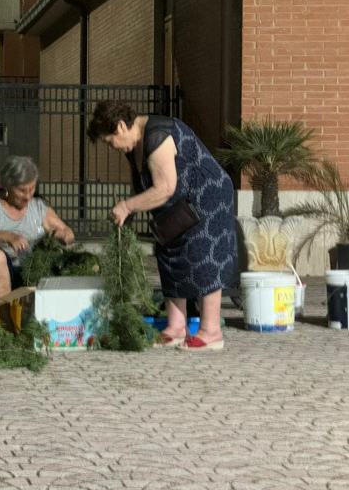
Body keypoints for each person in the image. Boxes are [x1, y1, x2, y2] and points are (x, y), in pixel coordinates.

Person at [87, 100, 237, 351]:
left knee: (203, 257)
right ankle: (175, 328)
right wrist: (133, 209)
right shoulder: (133, 145)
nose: (110, 146)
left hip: (206, 199)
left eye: (108, 140)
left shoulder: (157, 135)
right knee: (169, 254)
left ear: (121, 126)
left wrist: (127, 206)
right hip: (177, 206)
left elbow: (165, 187)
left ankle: (211, 332)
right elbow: (145, 184)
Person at [0, 155, 75, 304]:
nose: (28, 196)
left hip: (31, 271)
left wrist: (62, 235)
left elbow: (68, 233)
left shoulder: (39, 206)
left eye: (32, 189)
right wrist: (7, 237)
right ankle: (6, 318)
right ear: (8, 187)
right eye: (22, 191)